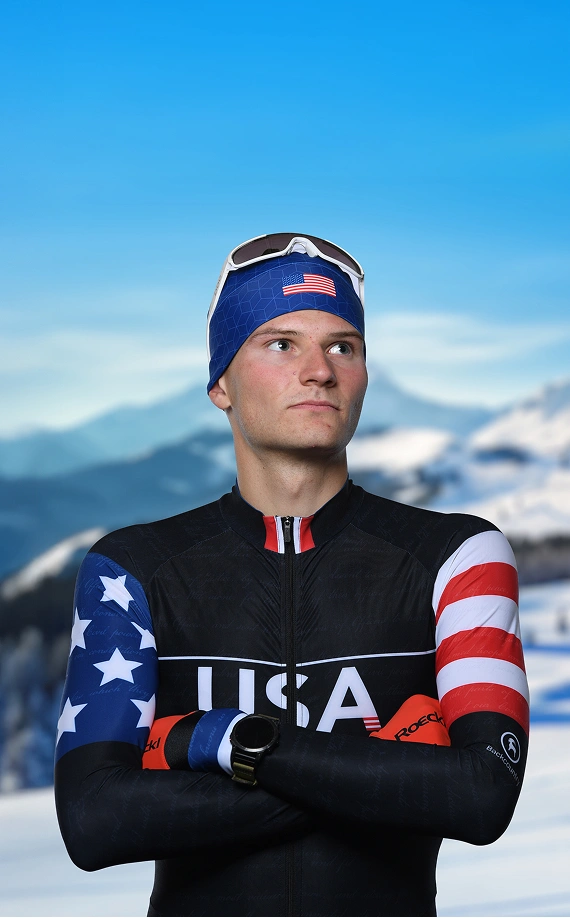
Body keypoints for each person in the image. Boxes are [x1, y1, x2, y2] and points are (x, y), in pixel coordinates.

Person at [55, 233, 529, 917]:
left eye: (343, 346)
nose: (319, 371)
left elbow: (482, 797)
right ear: (221, 382)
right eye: (280, 343)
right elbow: (96, 821)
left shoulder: (457, 556)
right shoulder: (133, 567)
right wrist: (384, 775)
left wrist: (210, 740)